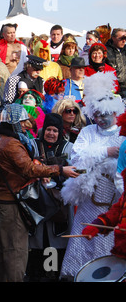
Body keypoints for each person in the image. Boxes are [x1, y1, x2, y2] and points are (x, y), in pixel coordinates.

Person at [0, 103, 78, 282]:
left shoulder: (4, 141)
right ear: (13, 122)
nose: (25, 125)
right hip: (11, 204)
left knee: (3, 252)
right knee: (16, 253)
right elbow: (29, 169)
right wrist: (60, 170)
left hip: (10, 202)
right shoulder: (11, 144)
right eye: (22, 122)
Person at [60, 71, 125, 281]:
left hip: (114, 201)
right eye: (96, 115)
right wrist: (105, 152)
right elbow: (77, 160)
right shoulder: (88, 132)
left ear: (114, 112)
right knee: (83, 244)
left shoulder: (122, 133)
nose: (101, 119)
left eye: (105, 114)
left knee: (108, 247)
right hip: (89, 202)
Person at [26, 113, 75, 282]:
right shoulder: (32, 145)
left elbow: (75, 172)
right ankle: (35, 275)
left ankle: (51, 275)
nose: (51, 134)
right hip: (36, 203)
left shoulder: (68, 148)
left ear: (60, 131)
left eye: (55, 130)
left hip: (59, 205)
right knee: (37, 243)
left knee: (54, 244)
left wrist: (57, 176)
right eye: (48, 129)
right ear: (43, 129)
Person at [106, 28, 126, 97]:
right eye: (121, 38)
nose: (124, 41)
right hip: (113, 88)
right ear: (113, 38)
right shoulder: (106, 51)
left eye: (125, 38)